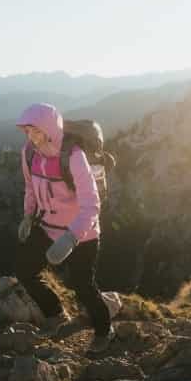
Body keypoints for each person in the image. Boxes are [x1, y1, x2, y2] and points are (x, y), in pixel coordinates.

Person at [14, 103, 114, 353]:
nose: (31, 136)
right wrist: (28, 216)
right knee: (26, 272)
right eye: (27, 131)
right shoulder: (29, 153)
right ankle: (56, 315)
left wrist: (71, 237)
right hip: (46, 227)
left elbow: (92, 204)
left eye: (35, 130)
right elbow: (30, 188)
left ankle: (104, 331)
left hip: (82, 234)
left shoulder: (73, 156)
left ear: (49, 128)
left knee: (83, 286)